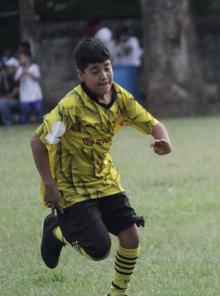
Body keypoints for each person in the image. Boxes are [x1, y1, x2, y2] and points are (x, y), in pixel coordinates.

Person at [30, 38, 172, 296]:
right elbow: (39, 142)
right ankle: (56, 231)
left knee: (131, 238)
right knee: (100, 250)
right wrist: (49, 185)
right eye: (95, 71)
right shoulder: (70, 108)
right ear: (80, 75)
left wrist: (164, 140)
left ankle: (117, 293)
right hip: (71, 188)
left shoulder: (120, 97)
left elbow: (153, 123)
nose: (104, 76)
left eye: (107, 67)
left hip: (106, 181)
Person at [15, 50, 43, 124]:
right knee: (24, 117)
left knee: (39, 115)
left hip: (35, 95)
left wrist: (29, 72)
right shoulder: (19, 69)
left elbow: (37, 78)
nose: (21, 60)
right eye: (20, 58)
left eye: (22, 58)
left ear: (27, 58)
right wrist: (22, 73)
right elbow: (16, 80)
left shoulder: (34, 67)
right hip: (24, 96)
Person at [0, 57, 20, 126]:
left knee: (2, 103)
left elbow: (15, 93)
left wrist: (3, 98)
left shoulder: (17, 77)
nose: (7, 69)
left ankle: (8, 123)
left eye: (10, 67)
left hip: (17, 101)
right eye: (7, 67)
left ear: (15, 68)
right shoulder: (6, 78)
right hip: (6, 100)